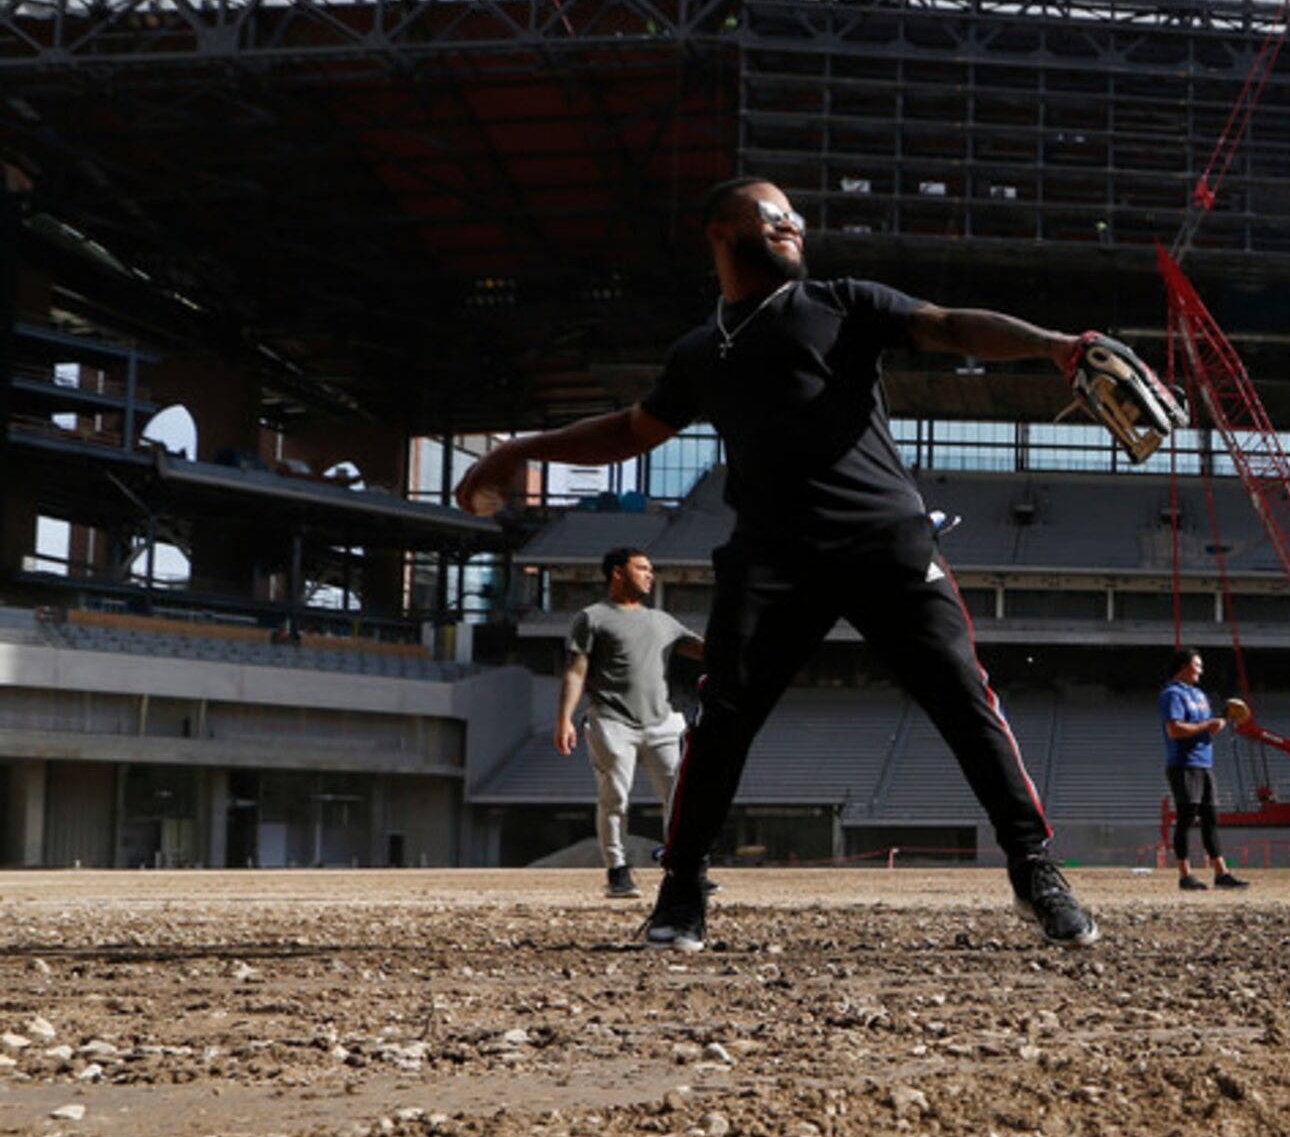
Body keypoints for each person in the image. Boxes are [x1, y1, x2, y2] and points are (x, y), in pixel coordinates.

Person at [455, 176, 1100, 951]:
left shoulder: (842, 302)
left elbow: (948, 325)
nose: (794, 225)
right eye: (776, 216)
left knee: (965, 701)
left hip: (884, 542)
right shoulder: (699, 350)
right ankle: (681, 889)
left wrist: (1054, 345)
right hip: (771, 555)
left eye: (796, 217)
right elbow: (632, 430)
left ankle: (1035, 870)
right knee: (723, 721)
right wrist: (523, 448)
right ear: (723, 233)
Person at [562, 547, 701, 898]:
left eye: (651, 569)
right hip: (612, 721)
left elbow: (704, 651)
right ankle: (617, 872)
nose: (649, 574)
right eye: (641, 568)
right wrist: (564, 719)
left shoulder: (664, 621)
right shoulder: (592, 617)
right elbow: (576, 673)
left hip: (662, 723)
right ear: (617, 573)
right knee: (615, 799)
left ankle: (684, 868)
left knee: (679, 798)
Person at [1160, 649, 1247, 891]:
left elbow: (1201, 727)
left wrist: (1220, 720)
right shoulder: (1172, 693)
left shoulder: (1199, 694)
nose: (1201, 669)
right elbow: (1175, 730)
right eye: (1197, 665)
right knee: (1186, 818)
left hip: (1204, 763)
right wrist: (1208, 724)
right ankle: (1185, 875)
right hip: (1184, 763)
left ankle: (1221, 873)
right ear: (1183, 666)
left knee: (1211, 818)